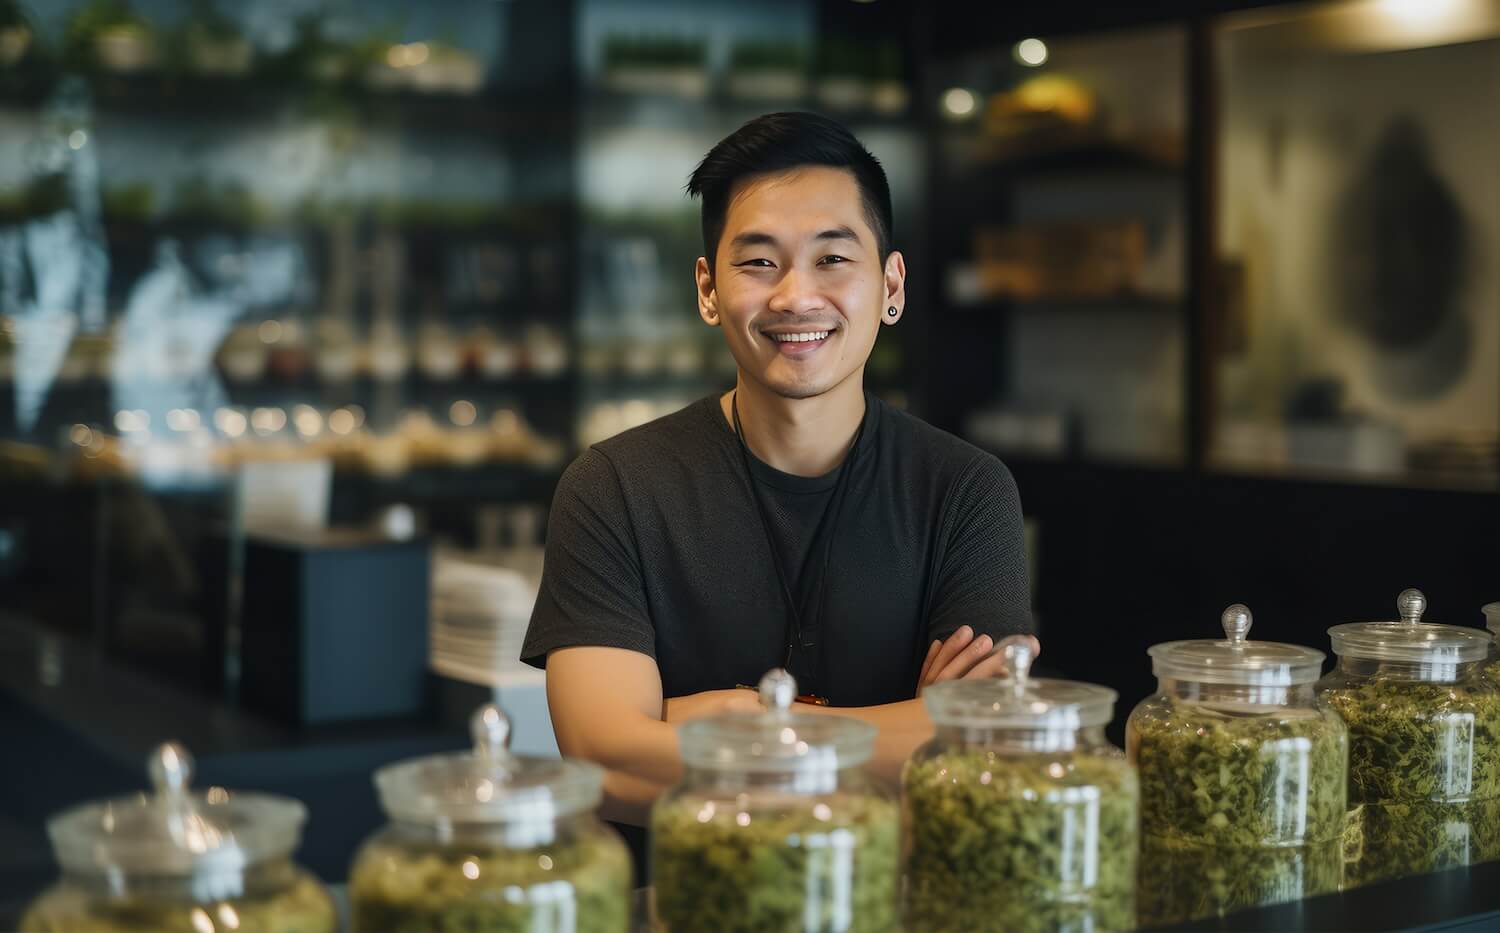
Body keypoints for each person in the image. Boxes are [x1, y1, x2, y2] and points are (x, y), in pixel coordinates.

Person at [521, 111, 1034, 861]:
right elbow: (604, 762)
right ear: (707, 288)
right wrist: (903, 727)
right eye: (759, 262)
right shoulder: (615, 487)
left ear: (891, 285)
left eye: (833, 259)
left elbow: (987, 744)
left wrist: (742, 721)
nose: (796, 297)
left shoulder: (963, 490)